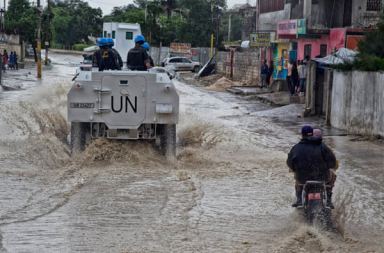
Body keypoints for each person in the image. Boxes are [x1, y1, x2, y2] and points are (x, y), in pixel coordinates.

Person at [287, 126, 337, 208]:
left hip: (302, 178)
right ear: (312, 134)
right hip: (322, 178)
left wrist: (295, 169)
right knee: (333, 176)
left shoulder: (296, 148)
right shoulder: (323, 146)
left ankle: (299, 199)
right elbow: (332, 163)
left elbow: (290, 163)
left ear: (302, 135)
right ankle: (328, 199)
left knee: (297, 179)